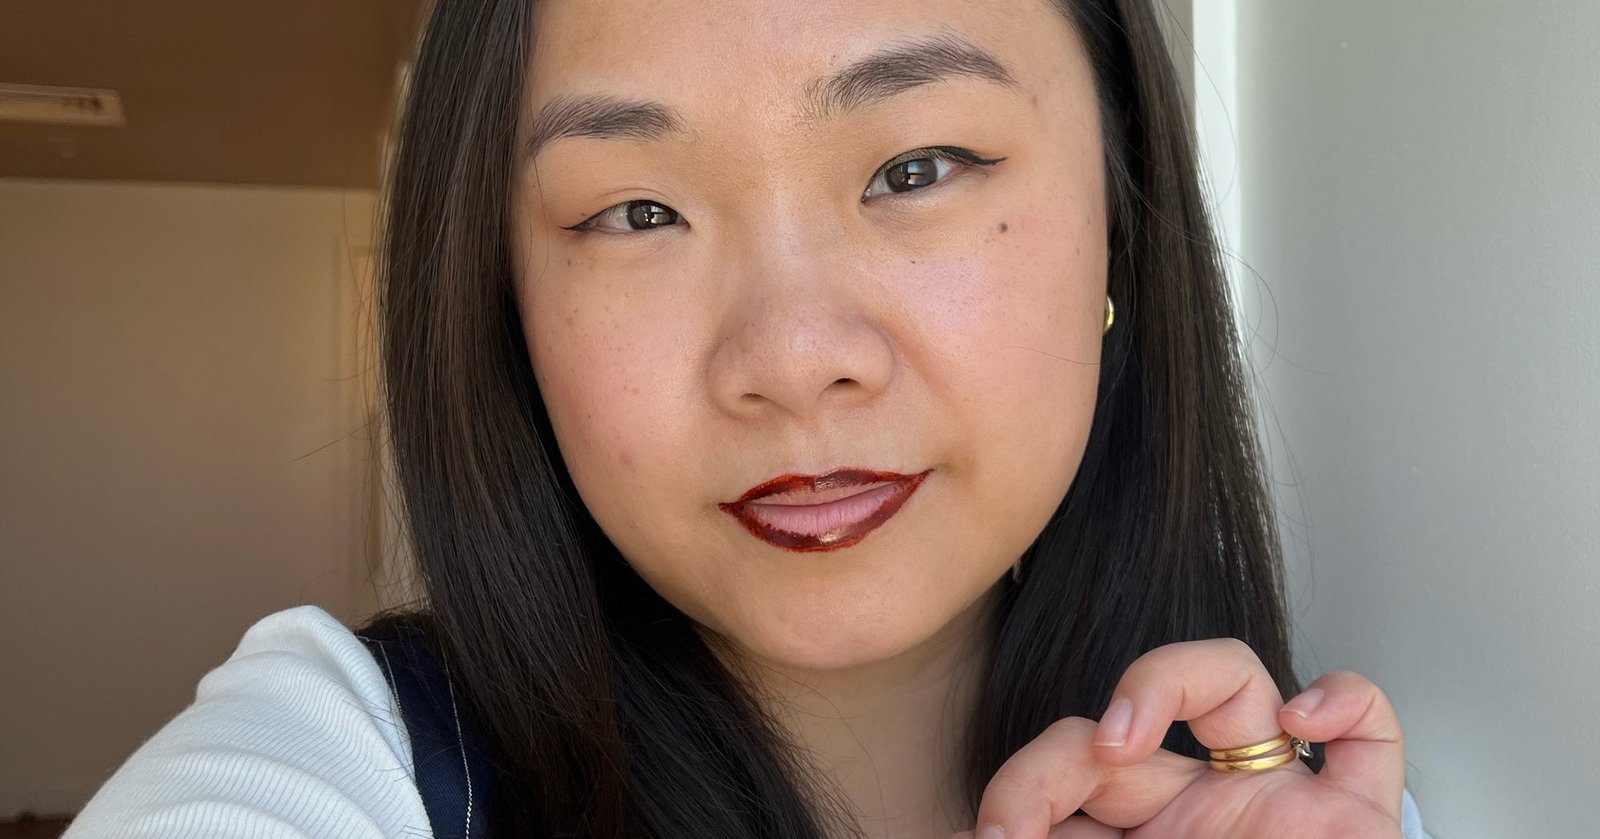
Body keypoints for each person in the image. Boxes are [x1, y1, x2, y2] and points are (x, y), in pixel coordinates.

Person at [65, 0, 1432, 837]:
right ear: (507, 303)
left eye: (916, 167)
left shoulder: (1297, 805)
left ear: (1119, 228)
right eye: (637, 211)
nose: (789, 358)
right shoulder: (346, 762)